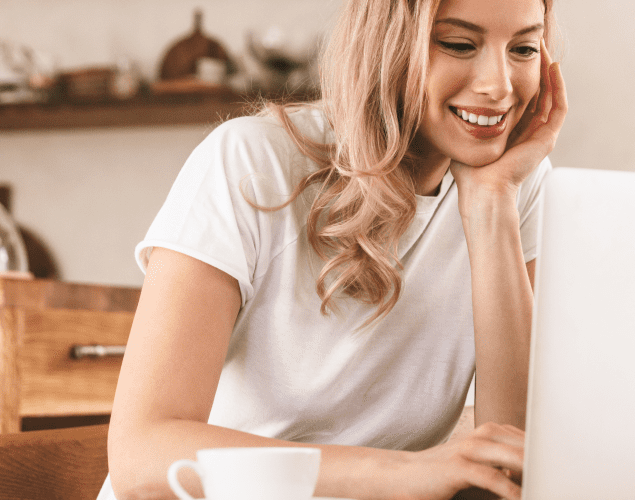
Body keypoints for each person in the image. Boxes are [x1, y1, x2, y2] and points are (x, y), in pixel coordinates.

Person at [99, 0, 567, 498]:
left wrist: (492, 204)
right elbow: (141, 455)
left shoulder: (514, 184)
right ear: (389, 46)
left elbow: (511, 464)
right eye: (458, 44)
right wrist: (409, 473)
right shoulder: (250, 161)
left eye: (522, 48)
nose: (499, 84)